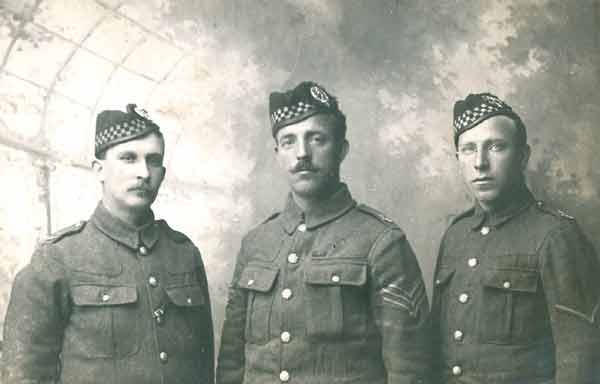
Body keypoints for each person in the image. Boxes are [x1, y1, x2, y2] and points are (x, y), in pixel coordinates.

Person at [216, 81, 431, 384]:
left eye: (316, 139)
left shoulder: (381, 242)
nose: (302, 153)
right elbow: (231, 366)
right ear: (278, 154)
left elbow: (410, 370)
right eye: (289, 141)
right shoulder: (256, 243)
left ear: (341, 150)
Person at [2, 104, 214, 384]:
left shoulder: (184, 254)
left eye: (153, 160)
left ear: (162, 173)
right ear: (99, 169)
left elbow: (203, 365)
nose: (143, 172)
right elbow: (23, 375)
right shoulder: (57, 259)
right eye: (128, 158)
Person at [431, 92, 600, 383]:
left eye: (496, 147)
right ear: (458, 158)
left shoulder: (556, 236)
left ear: (523, 156)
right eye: (469, 149)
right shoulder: (455, 235)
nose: (480, 163)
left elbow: (580, 360)